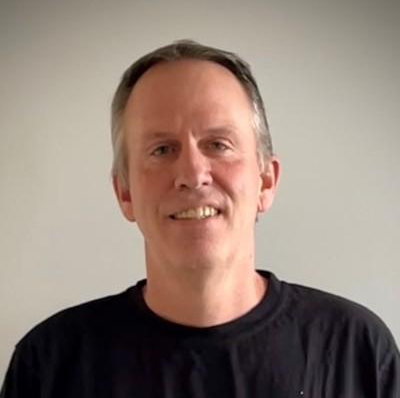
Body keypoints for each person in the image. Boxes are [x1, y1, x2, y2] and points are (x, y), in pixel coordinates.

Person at [1, 40, 399, 398]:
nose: (192, 174)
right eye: (161, 149)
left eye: (218, 144)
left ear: (265, 181)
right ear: (125, 193)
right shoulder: (50, 365)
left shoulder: (357, 350)